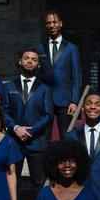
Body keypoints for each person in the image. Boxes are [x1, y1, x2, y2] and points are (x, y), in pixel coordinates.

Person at [2, 47, 53, 192]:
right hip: (14, 141)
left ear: (38, 65)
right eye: (26, 58)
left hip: (36, 141)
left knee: (39, 181)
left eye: (34, 59)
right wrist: (16, 128)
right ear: (20, 61)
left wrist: (30, 130)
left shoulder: (45, 89)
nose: (30, 61)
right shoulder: (8, 86)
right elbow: (4, 111)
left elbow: (48, 115)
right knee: (11, 179)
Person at [32, 10, 81, 141]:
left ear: (60, 24)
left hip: (65, 99)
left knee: (66, 136)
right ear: (45, 26)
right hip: (44, 99)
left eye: (54, 22)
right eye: (48, 23)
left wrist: (74, 101)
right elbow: (35, 75)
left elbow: (76, 76)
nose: (52, 25)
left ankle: (65, 161)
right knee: (43, 137)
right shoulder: (38, 48)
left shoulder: (71, 48)